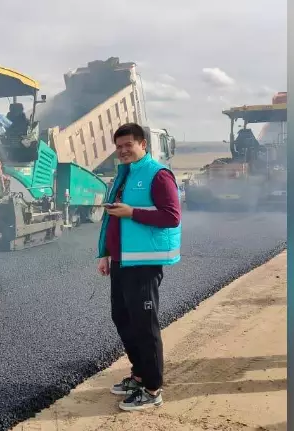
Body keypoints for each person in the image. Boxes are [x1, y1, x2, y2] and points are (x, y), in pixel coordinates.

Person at [96, 122, 182, 411]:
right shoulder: (123, 175)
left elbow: (172, 216)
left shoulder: (158, 175)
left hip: (144, 263)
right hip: (121, 259)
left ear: (143, 144)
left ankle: (153, 388)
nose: (123, 151)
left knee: (145, 326)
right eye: (119, 147)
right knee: (122, 318)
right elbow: (111, 219)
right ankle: (139, 373)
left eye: (128, 145)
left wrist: (132, 212)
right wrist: (105, 253)